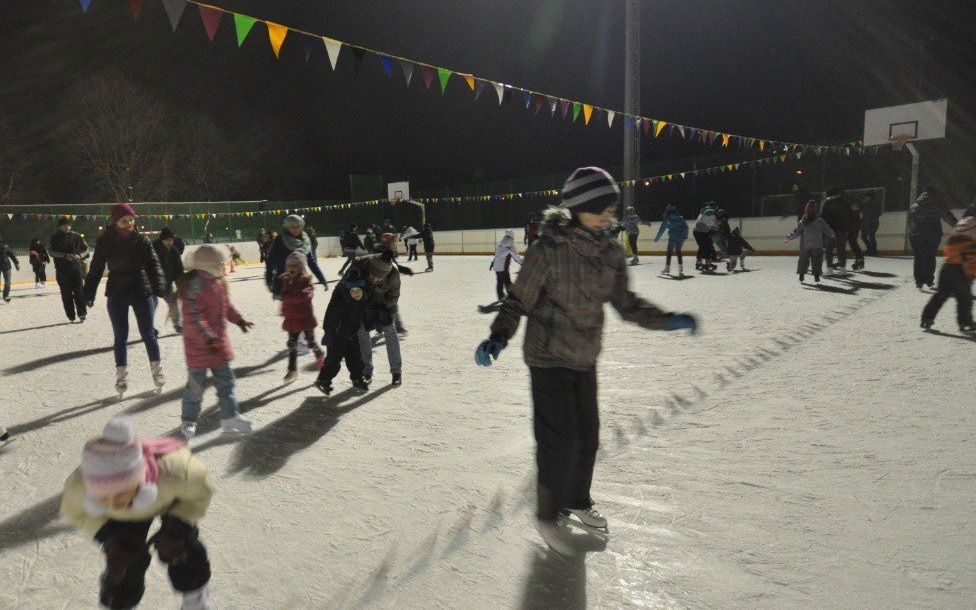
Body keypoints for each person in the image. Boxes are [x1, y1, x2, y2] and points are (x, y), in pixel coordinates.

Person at [474, 166, 698, 556]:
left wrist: (667, 320)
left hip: (584, 357)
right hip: (547, 358)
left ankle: (576, 500)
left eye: (610, 209)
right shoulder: (549, 248)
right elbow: (519, 299)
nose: (607, 216)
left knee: (587, 438)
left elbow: (627, 305)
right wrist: (498, 335)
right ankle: (548, 514)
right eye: (600, 209)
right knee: (557, 439)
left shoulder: (610, 253)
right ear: (577, 208)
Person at [59, 418, 217, 609]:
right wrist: (105, 534)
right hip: (123, 521)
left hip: (166, 499)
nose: (113, 504)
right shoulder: (78, 487)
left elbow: (201, 492)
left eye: (119, 494)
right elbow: (75, 512)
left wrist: (181, 521)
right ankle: (118, 602)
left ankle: (196, 598)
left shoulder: (178, 471)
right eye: (101, 497)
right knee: (122, 560)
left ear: (138, 481)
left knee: (179, 547)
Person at [83, 203, 166, 395]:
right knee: (121, 336)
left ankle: (157, 372)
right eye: (123, 220)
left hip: (140, 288)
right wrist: (88, 292)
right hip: (117, 290)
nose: (129, 224)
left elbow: (153, 264)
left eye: (131, 220)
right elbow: (95, 268)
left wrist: (159, 286)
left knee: (148, 333)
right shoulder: (105, 242)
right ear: (115, 221)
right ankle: (121, 377)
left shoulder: (142, 240)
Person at [177, 245, 254, 439]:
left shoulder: (217, 283)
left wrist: (239, 320)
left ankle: (229, 419)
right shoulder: (195, 286)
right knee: (195, 389)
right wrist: (208, 337)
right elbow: (194, 316)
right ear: (209, 265)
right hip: (200, 348)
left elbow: (225, 306)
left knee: (226, 384)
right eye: (220, 264)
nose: (223, 266)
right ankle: (189, 421)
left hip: (218, 346)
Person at [348, 250, 403, 387]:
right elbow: (345, 286)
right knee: (362, 332)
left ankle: (396, 372)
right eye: (372, 276)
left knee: (390, 331)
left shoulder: (394, 273)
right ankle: (367, 371)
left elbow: (394, 297)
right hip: (363, 305)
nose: (374, 280)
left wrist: (379, 308)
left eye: (379, 279)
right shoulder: (360, 264)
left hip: (385, 306)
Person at [314, 268, 371, 395]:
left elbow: (363, 314)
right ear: (348, 290)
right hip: (337, 335)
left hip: (351, 333)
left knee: (355, 357)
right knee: (334, 360)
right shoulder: (339, 300)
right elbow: (330, 316)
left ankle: (357, 378)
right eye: (353, 291)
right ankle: (323, 380)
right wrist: (328, 333)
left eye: (359, 291)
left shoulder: (363, 299)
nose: (356, 294)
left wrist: (374, 322)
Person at [920, 217, 976, 334]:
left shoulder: (954, 238)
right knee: (965, 299)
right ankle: (965, 323)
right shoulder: (971, 242)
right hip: (960, 272)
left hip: (946, 268)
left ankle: (927, 317)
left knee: (941, 295)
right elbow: (972, 260)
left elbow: (948, 253)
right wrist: (971, 276)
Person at [280, 251, 326, 383]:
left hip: (305, 319)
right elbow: (284, 298)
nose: (291, 268)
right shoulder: (286, 280)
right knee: (292, 345)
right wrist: (284, 308)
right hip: (292, 320)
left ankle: (320, 355)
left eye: (295, 266)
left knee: (310, 341)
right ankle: (292, 369)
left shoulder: (305, 281)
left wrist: (290, 297)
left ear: (300, 268)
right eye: (289, 266)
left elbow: (304, 296)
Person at [265, 215, 328, 298]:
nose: (295, 229)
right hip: (284, 281)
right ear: (287, 227)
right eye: (292, 226)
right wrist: (269, 279)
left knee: (303, 306)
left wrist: (322, 278)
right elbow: (271, 260)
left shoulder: (304, 240)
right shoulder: (281, 239)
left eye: (298, 226)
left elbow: (311, 261)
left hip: (301, 281)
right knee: (289, 308)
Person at [909, 187, 959, 289]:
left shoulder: (913, 206)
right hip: (933, 234)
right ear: (934, 194)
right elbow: (948, 217)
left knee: (918, 257)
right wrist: (960, 227)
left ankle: (918, 281)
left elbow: (910, 222)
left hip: (915, 234)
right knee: (930, 256)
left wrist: (915, 231)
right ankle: (928, 280)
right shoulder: (938, 203)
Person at [50, 216, 90, 322]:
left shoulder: (77, 236)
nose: (67, 227)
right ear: (60, 227)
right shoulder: (54, 237)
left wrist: (80, 256)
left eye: (68, 225)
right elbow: (50, 252)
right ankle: (70, 315)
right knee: (66, 294)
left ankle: (82, 313)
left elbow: (86, 249)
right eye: (64, 226)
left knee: (79, 292)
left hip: (76, 269)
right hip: (62, 270)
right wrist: (65, 256)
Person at [785, 200, 835, 283]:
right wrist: (832, 234)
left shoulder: (802, 222)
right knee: (817, 261)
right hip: (817, 246)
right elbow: (827, 229)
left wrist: (787, 238)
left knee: (803, 261)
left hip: (805, 246)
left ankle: (801, 276)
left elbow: (796, 232)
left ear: (806, 211)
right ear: (816, 211)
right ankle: (816, 276)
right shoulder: (820, 221)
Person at [152, 227, 186, 334]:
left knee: (173, 302)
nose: (170, 242)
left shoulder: (174, 251)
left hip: (167, 283)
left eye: (171, 239)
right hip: (152, 282)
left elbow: (179, 269)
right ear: (162, 239)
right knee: (152, 304)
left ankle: (178, 325)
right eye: (167, 239)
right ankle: (149, 327)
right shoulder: (152, 248)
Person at [820, 186, 858, 270]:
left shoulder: (827, 203)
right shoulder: (845, 202)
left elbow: (823, 217)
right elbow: (851, 215)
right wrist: (849, 227)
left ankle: (829, 269)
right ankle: (842, 269)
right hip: (843, 229)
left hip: (830, 229)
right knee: (841, 248)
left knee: (829, 249)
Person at [653, 204, 688, 276]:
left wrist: (657, 238)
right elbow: (686, 227)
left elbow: (661, 230)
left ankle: (667, 268)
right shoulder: (680, 217)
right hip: (681, 237)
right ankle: (680, 267)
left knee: (669, 252)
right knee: (678, 251)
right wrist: (685, 236)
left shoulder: (667, 219)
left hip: (673, 237)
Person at [490, 229, 524, 300]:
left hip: (496, 267)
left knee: (499, 281)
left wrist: (492, 263)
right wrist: (523, 263)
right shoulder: (511, 246)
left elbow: (497, 255)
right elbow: (516, 257)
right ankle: (512, 298)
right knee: (507, 282)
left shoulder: (500, 244)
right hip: (503, 268)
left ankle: (500, 296)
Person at [692, 203, 718, 271]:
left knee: (702, 246)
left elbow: (703, 221)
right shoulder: (711, 211)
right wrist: (715, 227)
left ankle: (699, 261)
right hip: (703, 231)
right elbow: (711, 223)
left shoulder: (703, 211)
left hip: (696, 231)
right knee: (708, 246)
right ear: (714, 207)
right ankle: (707, 262)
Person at [0, 235, 20, 302]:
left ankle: (5, 295)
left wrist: (16, 263)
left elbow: (12, 255)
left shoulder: (5, 246)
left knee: (8, 282)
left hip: (6, 266)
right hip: (6, 266)